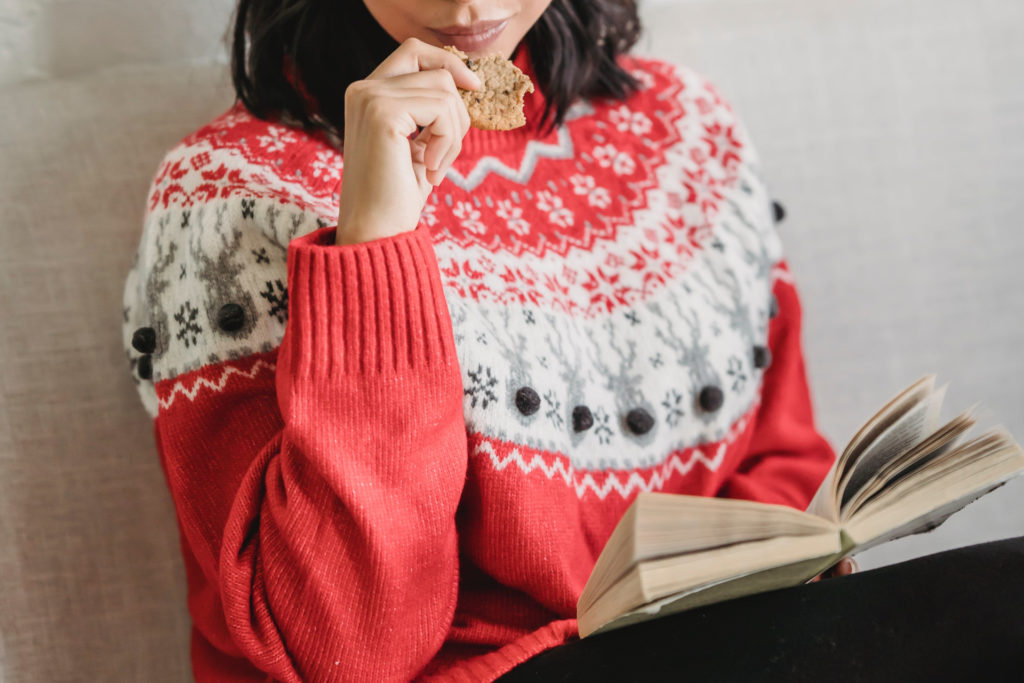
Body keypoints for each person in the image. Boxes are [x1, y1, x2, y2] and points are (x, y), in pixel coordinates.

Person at [122, 0, 879, 680]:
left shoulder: (684, 126)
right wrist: (374, 244)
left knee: (996, 593)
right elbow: (342, 648)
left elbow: (786, 461)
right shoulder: (221, 199)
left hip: (727, 639)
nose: (470, 6)